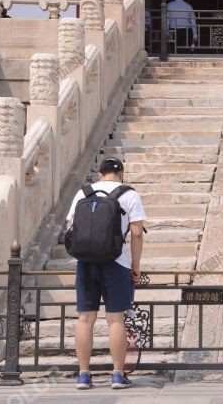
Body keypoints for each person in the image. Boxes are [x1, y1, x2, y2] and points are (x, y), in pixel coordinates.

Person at [66, 157, 146, 390]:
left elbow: (69, 227)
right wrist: (136, 265)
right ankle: (118, 375)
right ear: (121, 174)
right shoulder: (129, 194)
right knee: (115, 319)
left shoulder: (83, 193)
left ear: (100, 173)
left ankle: (83, 375)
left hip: (86, 263)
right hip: (117, 263)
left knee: (85, 319)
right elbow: (137, 233)